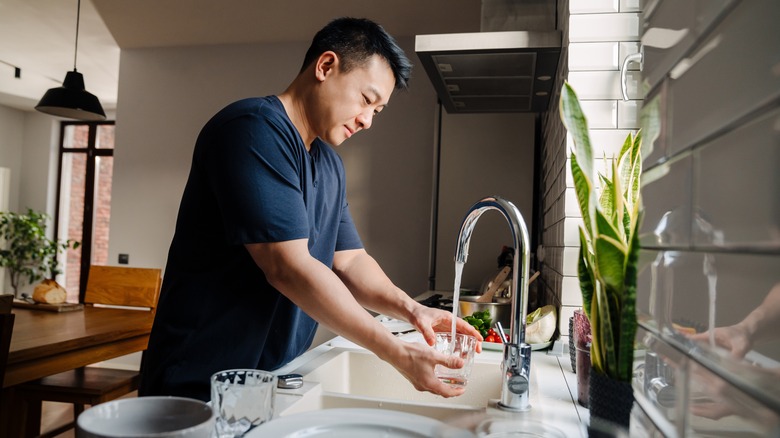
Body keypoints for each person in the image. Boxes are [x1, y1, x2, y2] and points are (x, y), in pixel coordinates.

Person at [138, 17, 481, 402]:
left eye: (378, 111)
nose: (368, 120)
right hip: (198, 383)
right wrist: (395, 351)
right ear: (325, 66)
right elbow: (289, 268)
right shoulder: (252, 130)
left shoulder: (329, 165)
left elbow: (350, 262)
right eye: (367, 100)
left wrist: (413, 310)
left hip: (268, 380)